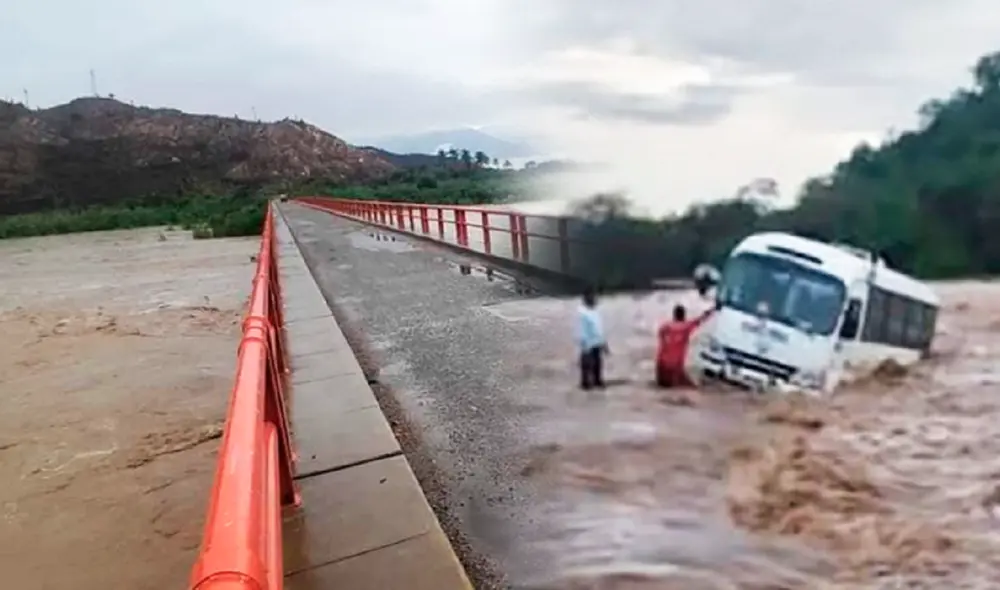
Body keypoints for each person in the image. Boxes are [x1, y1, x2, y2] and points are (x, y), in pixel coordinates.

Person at [656, 304, 713, 388]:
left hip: (661, 365)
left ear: (674, 315)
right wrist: (714, 309)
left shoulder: (665, 327)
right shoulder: (686, 327)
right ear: (683, 315)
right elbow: (702, 318)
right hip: (675, 368)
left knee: (663, 387)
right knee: (692, 388)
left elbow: (661, 339)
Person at [577, 288, 608, 389]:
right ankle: (585, 382)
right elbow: (581, 330)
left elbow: (599, 328)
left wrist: (603, 342)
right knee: (587, 363)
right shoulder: (582, 312)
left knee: (597, 362)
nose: (595, 299)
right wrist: (584, 342)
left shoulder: (594, 311)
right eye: (593, 297)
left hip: (596, 341)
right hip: (587, 342)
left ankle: (596, 380)